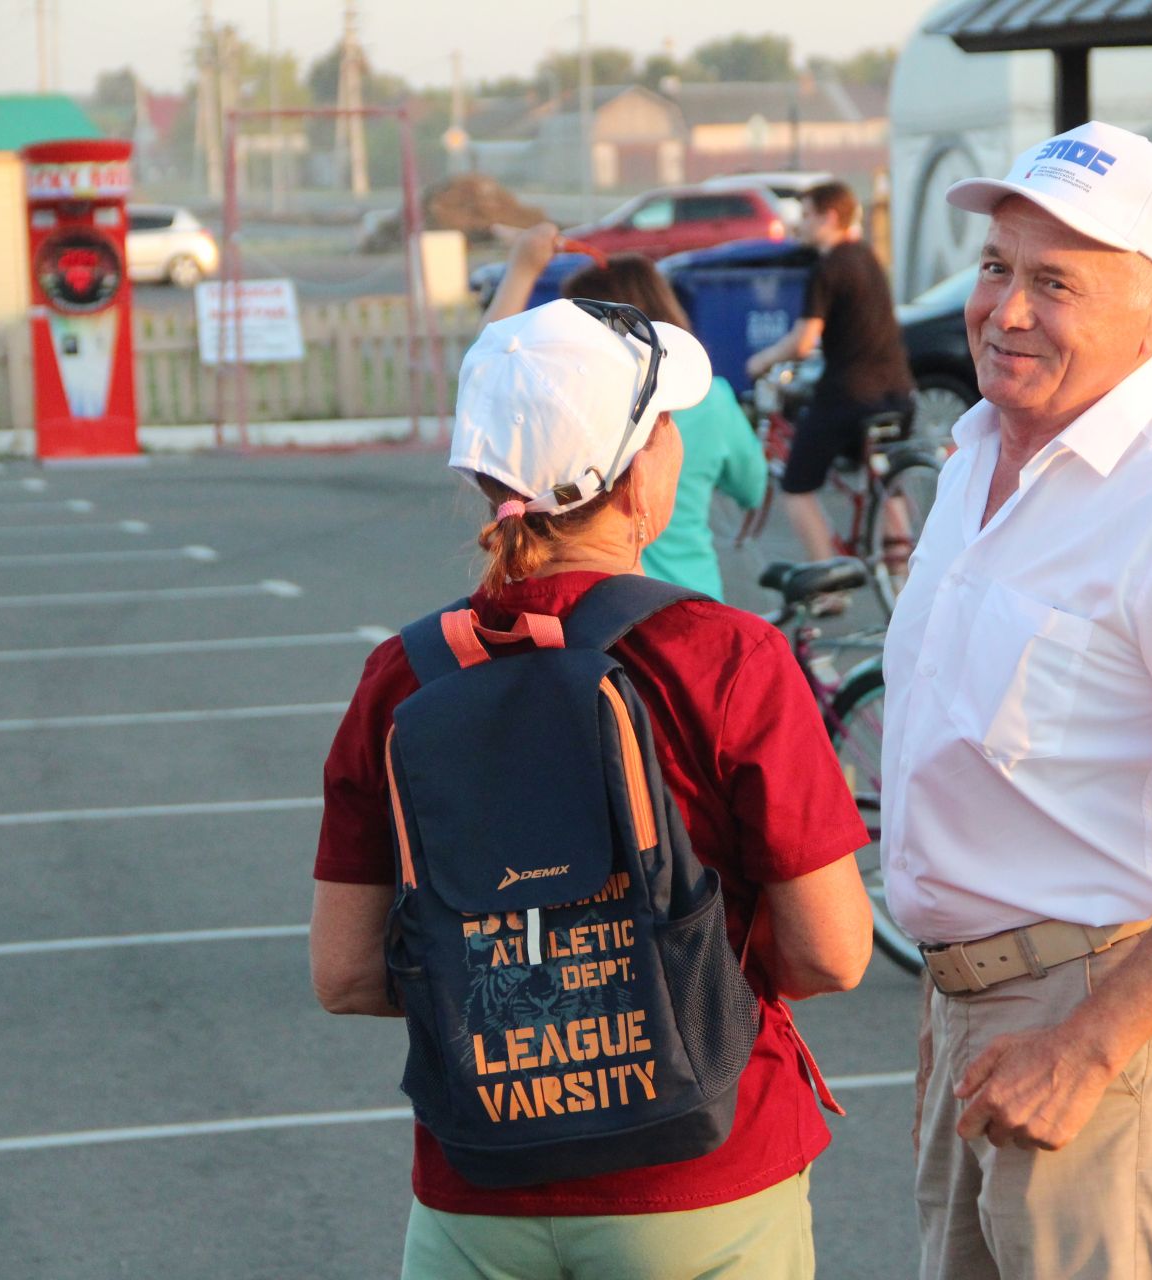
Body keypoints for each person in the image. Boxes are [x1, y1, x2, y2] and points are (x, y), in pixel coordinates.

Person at [310, 298, 874, 1279]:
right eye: (665, 426)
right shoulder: (728, 655)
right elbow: (831, 948)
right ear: (635, 472)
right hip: (703, 1173)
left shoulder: (403, 678)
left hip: (475, 1180)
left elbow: (347, 971)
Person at [882, 121, 1152, 1280]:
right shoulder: (975, 454)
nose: (1007, 309)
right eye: (996, 268)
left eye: (1055, 282)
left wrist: (1085, 1044)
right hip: (973, 1005)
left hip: (1099, 1015)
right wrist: (952, 1002)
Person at [482, 222, 767, 600]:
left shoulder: (568, 405)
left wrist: (521, 270)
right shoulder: (710, 397)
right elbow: (752, 488)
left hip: (575, 598)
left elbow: (487, 381)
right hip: (690, 595)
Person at [746, 180, 916, 564]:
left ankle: (828, 583)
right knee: (885, 480)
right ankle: (902, 578)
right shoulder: (867, 257)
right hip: (899, 391)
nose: (800, 225)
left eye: (806, 216)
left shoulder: (827, 268)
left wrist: (761, 361)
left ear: (829, 217)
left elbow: (804, 341)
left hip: (850, 395)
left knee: (796, 484)